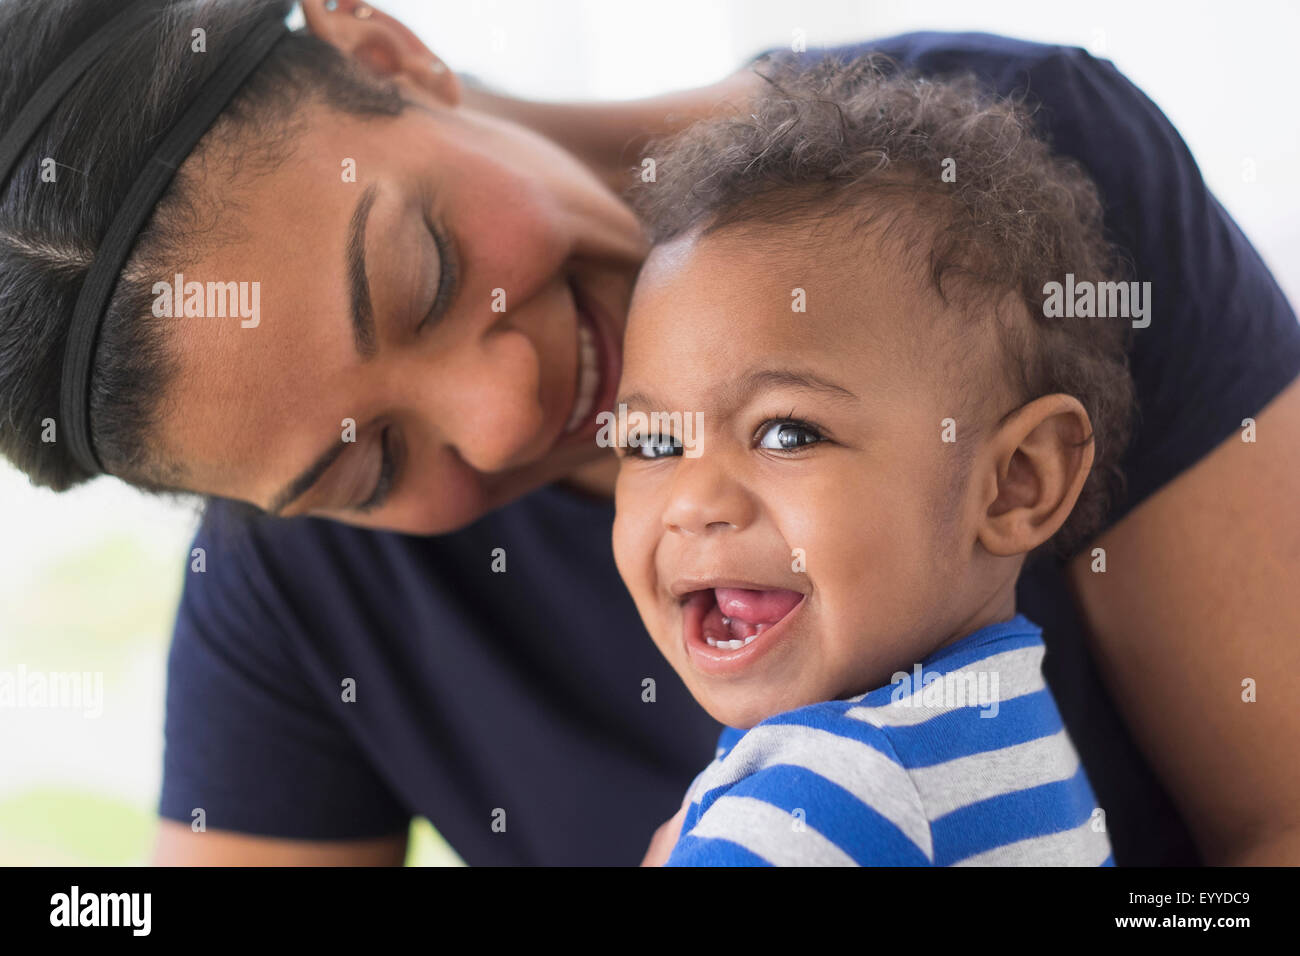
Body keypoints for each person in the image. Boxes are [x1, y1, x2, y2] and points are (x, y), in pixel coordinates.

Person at [1, 0, 1296, 866]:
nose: (508, 418)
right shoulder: (298, 591)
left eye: (431, 270)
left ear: (381, 52)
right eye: (368, 464)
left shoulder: (1007, 203)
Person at [614, 55, 1121, 865]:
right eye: (653, 443)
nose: (691, 500)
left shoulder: (828, 793)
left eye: (787, 432)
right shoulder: (998, 732)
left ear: (1016, 481)